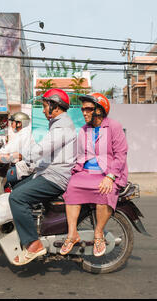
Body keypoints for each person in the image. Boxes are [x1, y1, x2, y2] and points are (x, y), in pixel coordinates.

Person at [7, 88, 77, 265]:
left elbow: (41, 149)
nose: (43, 110)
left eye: (45, 106)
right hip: (49, 172)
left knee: (17, 198)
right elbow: (46, 154)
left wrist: (21, 157)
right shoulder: (58, 125)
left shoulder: (62, 126)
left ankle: (33, 244)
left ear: (55, 106)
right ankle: (33, 231)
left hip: (55, 177)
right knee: (16, 189)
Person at [60, 93, 128, 257]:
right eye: (83, 109)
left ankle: (99, 233)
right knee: (71, 187)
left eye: (88, 109)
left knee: (105, 190)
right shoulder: (84, 129)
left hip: (108, 173)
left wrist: (110, 176)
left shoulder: (113, 126)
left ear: (100, 110)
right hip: (86, 173)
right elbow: (79, 154)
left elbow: (121, 154)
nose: (84, 112)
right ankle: (72, 234)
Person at [0, 112, 35, 186]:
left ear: (19, 124)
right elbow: (6, 148)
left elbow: (14, 152)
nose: (11, 124)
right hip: (17, 166)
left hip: (22, 169)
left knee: (0, 181)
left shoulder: (25, 134)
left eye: (13, 122)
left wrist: (1, 157)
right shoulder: (19, 134)